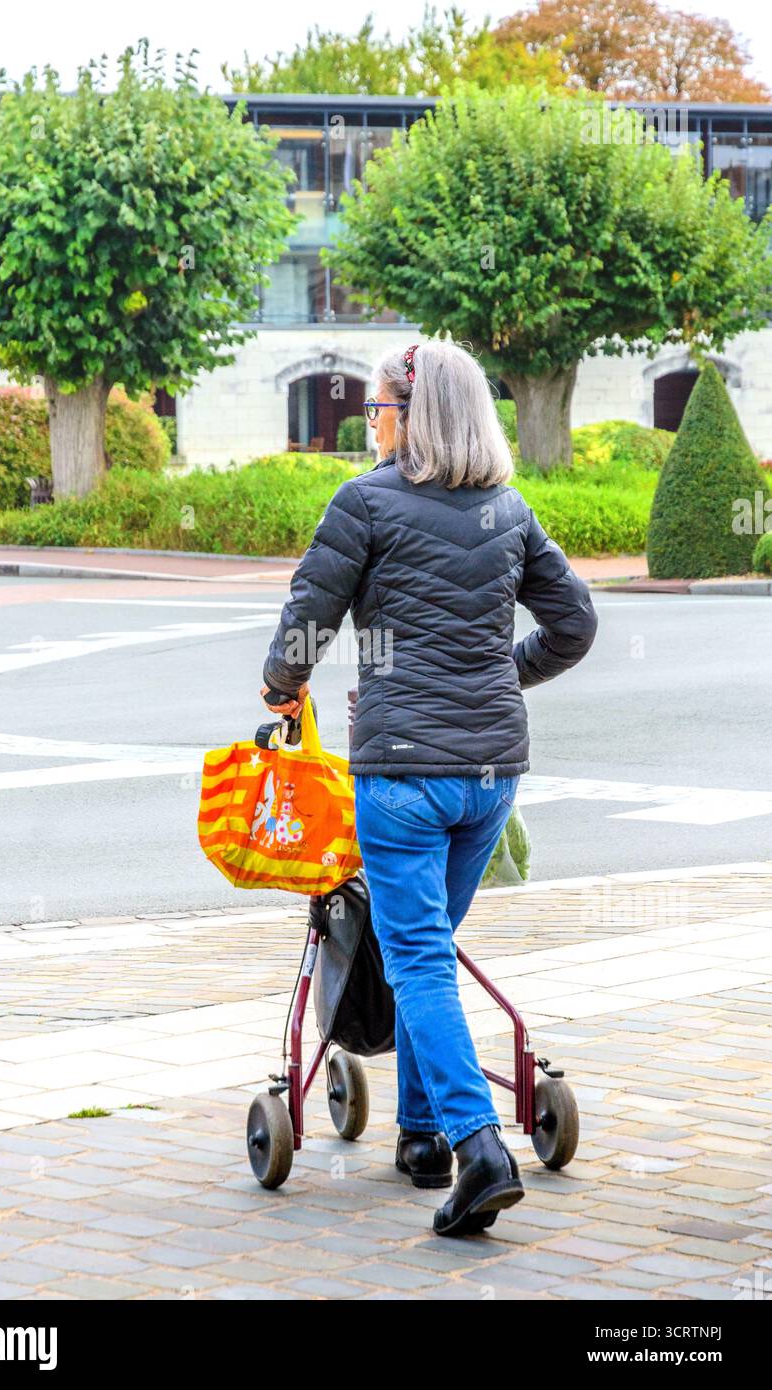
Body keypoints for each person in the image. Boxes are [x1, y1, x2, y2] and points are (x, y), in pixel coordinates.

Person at [261, 339, 598, 1236]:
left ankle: (478, 1146)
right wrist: (498, 675)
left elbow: (308, 616)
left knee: (414, 958)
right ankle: (420, 1139)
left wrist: (279, 686)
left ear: (410, 416)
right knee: (431, 952)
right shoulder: (508, 510)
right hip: (491, 778)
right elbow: (576, 623)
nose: (367, 426)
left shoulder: (365, 503)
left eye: (374, 410)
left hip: (404, 773)